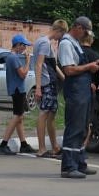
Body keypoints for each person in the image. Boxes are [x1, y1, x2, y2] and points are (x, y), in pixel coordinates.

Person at [58, 16, 99, 178]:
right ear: (77, 27)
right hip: (75, 91)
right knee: (75, 127)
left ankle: (80, 163)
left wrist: (93, 67)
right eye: (84, 31)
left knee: (83, 127)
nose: (85, 35)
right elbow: (68, 70)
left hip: (83, 90)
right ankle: (68, 167)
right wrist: (89, 67)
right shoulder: (65, 44)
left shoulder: (75, 43)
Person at [0, 34, 36, 155]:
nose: (25, 48)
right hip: (18, 89)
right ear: (18, 45)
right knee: (17, 116)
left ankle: (23, 144)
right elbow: (23, 74)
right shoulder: (13, 58)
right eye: (23, 45)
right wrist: (28, 61)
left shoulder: (13, 57)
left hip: (18, 89)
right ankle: (3, 144)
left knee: (20, 117)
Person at [34, 20, 68, 158]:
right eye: (62, 34)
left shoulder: (44, 42)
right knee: (44, 113)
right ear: (59, 30)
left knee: (51, 114)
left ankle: (55, 147)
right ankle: (42, 149)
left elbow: (53, 65)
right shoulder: (44, 43)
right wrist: (38, 87)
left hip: (51, 83)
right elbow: (39, 65)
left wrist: (66, 79)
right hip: (46, 83)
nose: (61, 38)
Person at [80, 30, 99, 148]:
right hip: (90, 89)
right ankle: (83, 147)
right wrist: (95, 83)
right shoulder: (96, 56)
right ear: (91, 40)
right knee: (88, 120)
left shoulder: (76, 52)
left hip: (76, 89)